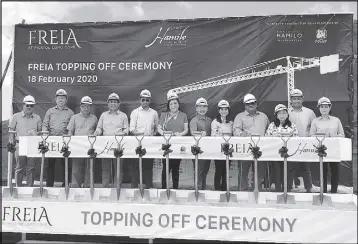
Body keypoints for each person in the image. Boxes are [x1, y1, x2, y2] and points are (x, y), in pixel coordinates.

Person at [233, 94, 270, 191]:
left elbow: (269, 130)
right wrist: (243, 135)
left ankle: (257, 189)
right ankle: (242, 190)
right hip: (245, 148)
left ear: (256, 104)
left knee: (259, 170)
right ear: (244, 105)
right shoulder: (239, 116)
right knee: (243, 170)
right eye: (248, 103)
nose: (251, 105)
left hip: (261, 148)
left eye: (253, 103)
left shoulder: (264, 116)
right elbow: (236, 130)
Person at [309, 97, 344, 193]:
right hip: (321, 149)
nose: (324, 109)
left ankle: (334, 191)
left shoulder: (336, 120)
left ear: (330, 107)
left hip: (334, 149)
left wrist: (335, 136)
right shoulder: (315, 121)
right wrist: (320, 136)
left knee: (335, 171)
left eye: (326, 106)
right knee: (322, 171)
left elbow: (342, 135)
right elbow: (311, 135)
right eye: (322, 107)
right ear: (318, 108)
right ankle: (323, 191)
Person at [94, 93, 129, 188]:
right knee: (105, 167)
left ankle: (117, 187)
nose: (113, 104)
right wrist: (97, 132)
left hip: (119, 145)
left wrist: (121, 134)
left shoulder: (123, 116)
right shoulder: (103, 115)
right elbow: (99, 128)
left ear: (118, 104)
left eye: (115, 102)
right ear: (108, 103)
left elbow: (126, 130)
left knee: (118, 167)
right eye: (111, 102)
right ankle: (105, 187)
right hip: (106, 145)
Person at [42, 89, 74, 187]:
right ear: (56, 99)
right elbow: (44, 124)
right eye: (59, 98)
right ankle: (49, 184)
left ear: (66, 100)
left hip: (65, 142)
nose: (61, 100)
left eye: (63, 98)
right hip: (51, 141)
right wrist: (45, 135)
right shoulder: (50, 111)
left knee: (66, 164)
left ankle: (66, 184)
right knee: (50, 164)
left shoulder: (70, 113)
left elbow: (72, 127)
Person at [158, 91, 188, 189]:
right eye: (171, 104)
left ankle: (175, 189)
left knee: (176, 168)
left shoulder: (183, 115)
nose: (173, 105)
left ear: (178, 104)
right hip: (166, 144)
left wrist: (180, 134)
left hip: (178, 144)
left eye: (175, 103)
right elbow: (159, 128)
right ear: (168, 105)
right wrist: (165, 133)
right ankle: (164, 189)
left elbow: (186, 129)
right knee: (165, 168)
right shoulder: (164, 115)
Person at [8, 95, 42, 187]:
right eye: (27, 105)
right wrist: (11, 143)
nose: (29, 107)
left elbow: (40, 133)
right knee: (19, 167)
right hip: (20, 144)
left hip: (32, 144)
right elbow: (11, 132)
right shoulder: (16, 116)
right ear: (23, 105)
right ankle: (18, 188)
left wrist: (35, 134)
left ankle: (29, 188)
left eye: (31, 106)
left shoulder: (37, 118)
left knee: (31, 167)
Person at [265, 104, 299, 192]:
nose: (282, 115)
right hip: (275, 153)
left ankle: (287, 189)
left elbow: (296, 137)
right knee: (277, 170)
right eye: (279, 113)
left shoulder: (292, 125)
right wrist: (273, 136)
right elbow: (267, 137)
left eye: (284, 113)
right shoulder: (272, 125)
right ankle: (277, 189)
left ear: (287, 114)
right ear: (276, 115)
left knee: (288, 170)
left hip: (289, 153)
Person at [129, 89, 159, 189]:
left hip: (149, 142)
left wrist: (152, 135)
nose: (145, 102)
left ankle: (149, 187)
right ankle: (134, 187)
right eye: (143, 100)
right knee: (136, 166)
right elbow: (132, 129)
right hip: (137, 142)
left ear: (150, 101)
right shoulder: (135, 112)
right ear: (140, 100)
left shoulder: (154, 113)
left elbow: (156, 127)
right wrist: (140, 135)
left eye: (147, 100)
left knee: (148, 165)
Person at [288, 88, 316, 193]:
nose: (296, 101)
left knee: (305, 167)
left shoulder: (310, 112)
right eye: (294, 99)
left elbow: (315, 127)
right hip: (290, 144)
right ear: (291, 100)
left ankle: (309, 188)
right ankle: (288, 188)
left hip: (305, 144)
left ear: (302, 99)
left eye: (298, 98)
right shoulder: (286, 112)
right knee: (290, 166)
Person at [67, 96, 98, 187]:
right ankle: (75, 186)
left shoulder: (94, 118)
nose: (86, 108)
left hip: (90, 146)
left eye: (88, 106)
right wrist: (70, 144)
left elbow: (97, 130)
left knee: (90, 167)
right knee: (76, 168)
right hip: (77, 145)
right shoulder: (74, 117)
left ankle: (88, 187)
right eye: (84, 106)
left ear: (90, 107)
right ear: (80, 107)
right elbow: (70, 131)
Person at [189, 97, 212, 190]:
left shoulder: (210, 120)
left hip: (208, 149)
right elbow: (193, 133)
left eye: (204, 107)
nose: (202, 109)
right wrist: (201, 134)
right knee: (198, 170)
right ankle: (197, 190)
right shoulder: (193, 120)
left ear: (207, 108)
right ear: (196, 108)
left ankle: (203, 188)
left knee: (205, 170)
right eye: (199, 107)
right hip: (197, 150)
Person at [211, 100, 233, 191]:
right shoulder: (215, 122)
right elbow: (213, 135)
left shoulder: (231, 122)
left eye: (225, 109)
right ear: (218, 110)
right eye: (222, 109)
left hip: (228, 150)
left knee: (226, 170)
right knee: (219, 170)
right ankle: (217, 190)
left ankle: (225, 189)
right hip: (218, 150)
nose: (224, 111)